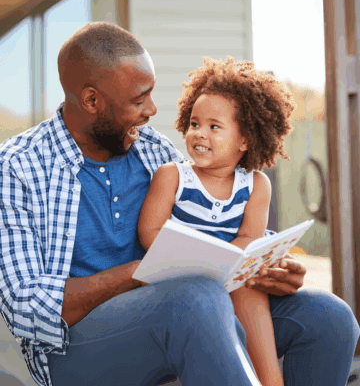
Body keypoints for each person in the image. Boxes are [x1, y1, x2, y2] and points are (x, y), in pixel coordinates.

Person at [0, 22, 358, 386]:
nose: (152, 110)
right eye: (139, 99)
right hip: (74, 350)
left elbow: (211, 225)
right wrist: (134, 275)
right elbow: (23, 307)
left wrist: (268, 263)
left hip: (186, 314)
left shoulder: (151, 148)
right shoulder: (20, 166)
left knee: (329, 317)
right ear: (92, 101)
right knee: (194, 298)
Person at [138, 56, 296, 386]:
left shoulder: (255, 184)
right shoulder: (173, 177)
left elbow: (249, 236)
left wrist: (225, 262)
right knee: (218, 295)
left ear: (245, 139)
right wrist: (197, 258)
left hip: (226, 274)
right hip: (179, 276)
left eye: (214, 126)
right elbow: (149, 230)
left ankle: (270, 381)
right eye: (194, 124)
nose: (200, 133)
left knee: (249, 290)